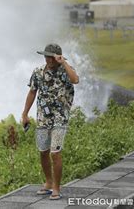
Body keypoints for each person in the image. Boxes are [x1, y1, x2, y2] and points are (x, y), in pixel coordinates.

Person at [21, 43, 79, 200]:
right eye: (47, 56)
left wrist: (64, 62)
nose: (49, 59)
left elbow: (75, 80)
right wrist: (25, 114)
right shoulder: (38, 72)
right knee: (43, 151)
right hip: (42, 118)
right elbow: (32, 92)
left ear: (57, 57)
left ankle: (56, 188)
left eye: (52, 57)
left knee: (55, 152)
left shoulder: (65, 70)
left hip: (60, 117)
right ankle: (48, 182)